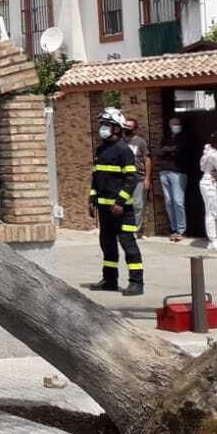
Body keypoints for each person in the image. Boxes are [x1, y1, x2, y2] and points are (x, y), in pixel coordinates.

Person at [87, 107, 144, 296]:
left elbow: (131, 179)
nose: (103, 128)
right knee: (107, 244)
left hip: (121, 209)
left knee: (128, 244)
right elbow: (97, 177)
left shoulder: (124, 151)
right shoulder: (101, 149)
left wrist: (120, 202)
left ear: (117, 128)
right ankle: (110, 280)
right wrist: (92, 198)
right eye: (102, 124)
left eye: (107, 125)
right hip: (104, 208)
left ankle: (136, 283)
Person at [156, 116, 190, 242]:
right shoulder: (166, 138)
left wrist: (167, 150)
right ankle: (174, 229)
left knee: (178, 201)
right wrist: (167, 150)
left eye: (177, 123)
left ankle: (182, 230)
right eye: (173, 124)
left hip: (178, 172)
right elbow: (159, 152)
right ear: (169, 125)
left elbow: (178, 150)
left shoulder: (185, 138)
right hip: (164, 171)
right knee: (169, 202)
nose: (176, 126)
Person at [123, 117, 152, 231]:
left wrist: (147, 178)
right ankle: (125, 229)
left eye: (129, 127)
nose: (126, 128)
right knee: (124, 204)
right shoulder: (120, 141)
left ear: (135, 129)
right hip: (123, 178)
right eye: (125, 126)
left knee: (138, 205)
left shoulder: (140, 142)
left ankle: (136, 230)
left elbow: (147, 159)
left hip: (138, 178)